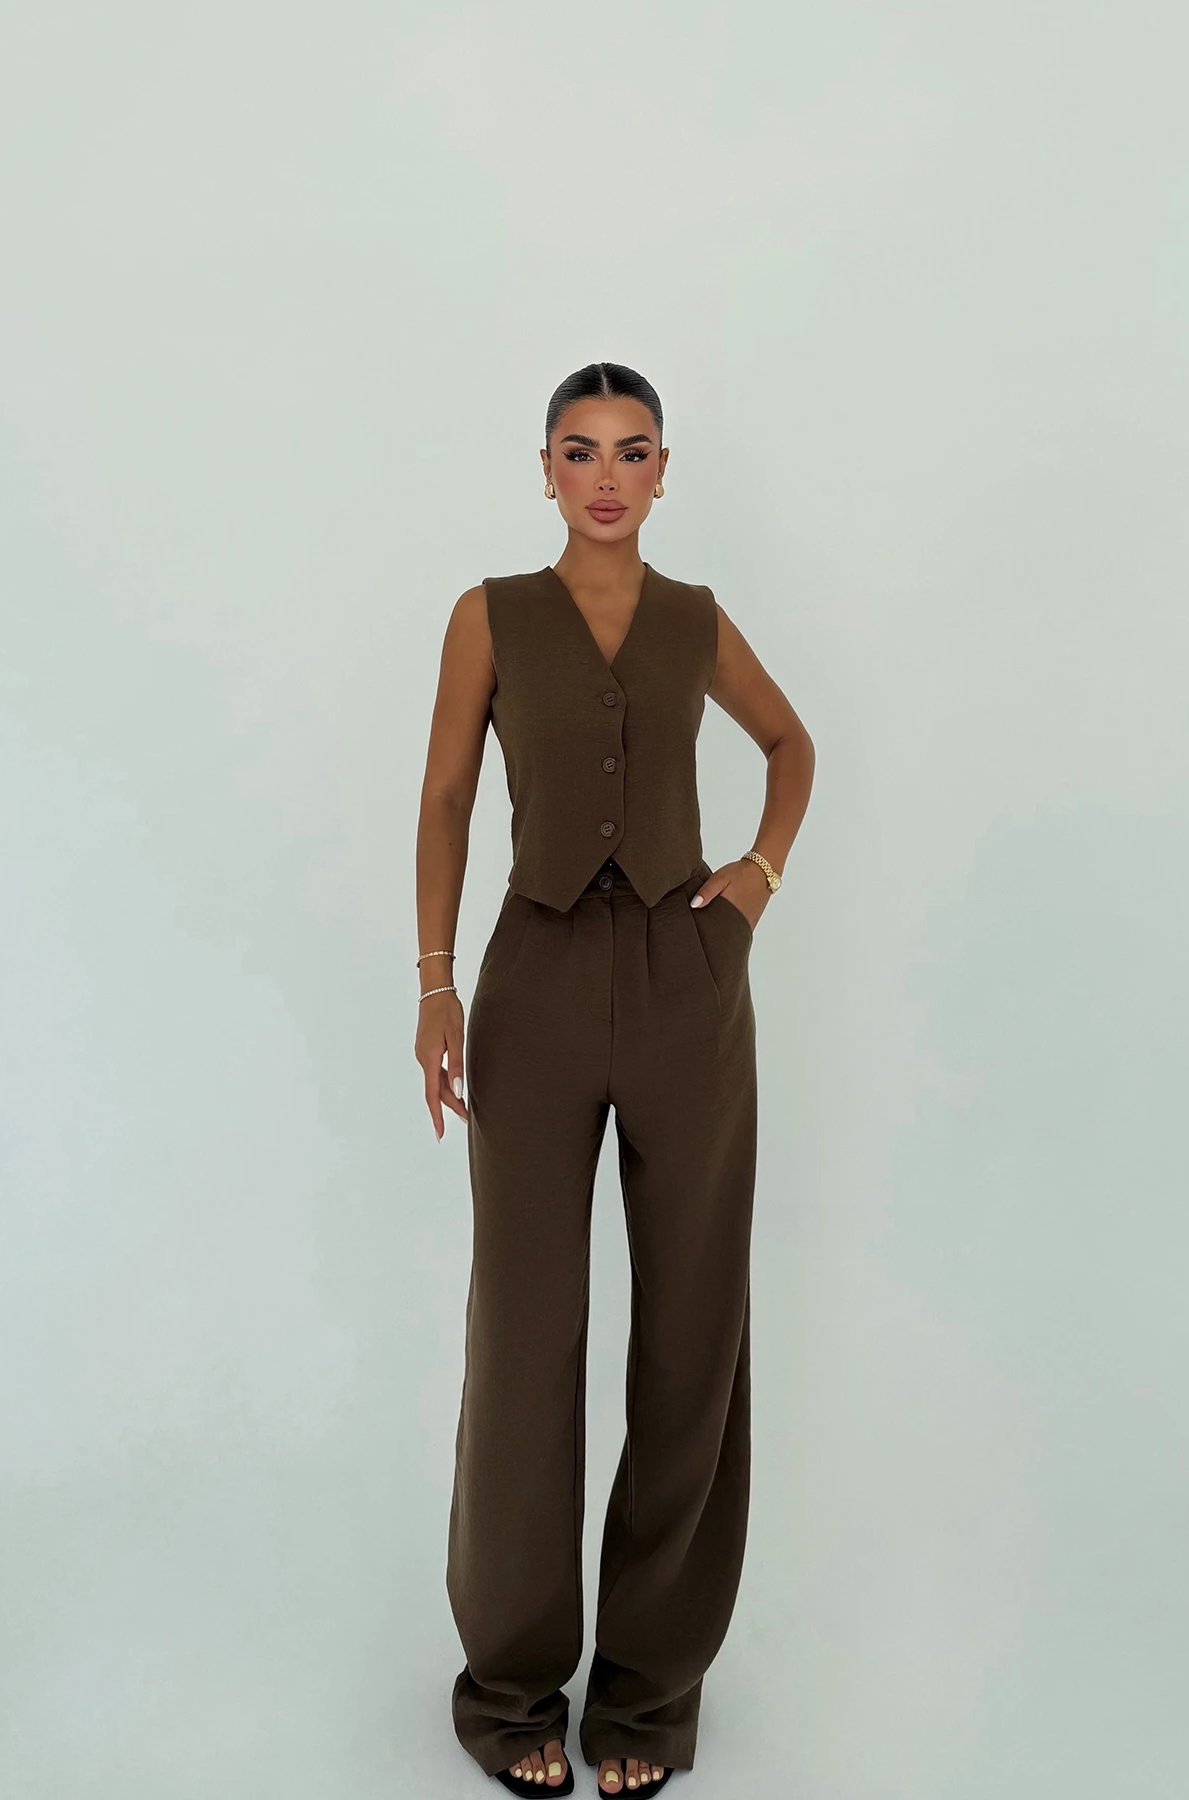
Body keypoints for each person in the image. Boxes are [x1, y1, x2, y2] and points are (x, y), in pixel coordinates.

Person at [414, 362, 815, 1795]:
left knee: (693, 1325)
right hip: (531, 980)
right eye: (579, 451)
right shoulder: (490, 615)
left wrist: (756, 878)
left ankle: (647, 1692)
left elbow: (792, 742)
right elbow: (446, 794)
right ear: (544, 468)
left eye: (631, 451)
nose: (605, 475)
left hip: (684, 980)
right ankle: (512, 1681)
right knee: (524, 1334)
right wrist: (435, 983)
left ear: (661, 471)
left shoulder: (695, 619)